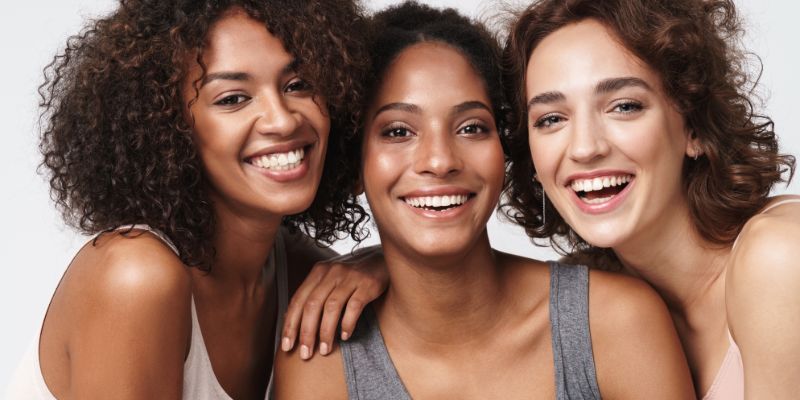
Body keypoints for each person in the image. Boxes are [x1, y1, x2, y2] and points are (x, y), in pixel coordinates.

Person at [275, 3, 694, 399]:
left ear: (506, 149)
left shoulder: (615, 323)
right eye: (398, 131)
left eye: (471, 127)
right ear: (354, 162)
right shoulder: (321, 355)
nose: (439, 161)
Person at [6, 0, 385, 398]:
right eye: (232, 99)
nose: (283, 119)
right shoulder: (135, 277)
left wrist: (392, 267)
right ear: (166, 126)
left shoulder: (307, 275)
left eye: (297, 85)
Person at [501, 0, 799, 398]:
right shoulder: (595, 303)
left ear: (694, 128)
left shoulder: (779, 255)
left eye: (624, 106)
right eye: (551, 119)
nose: (585, 148)